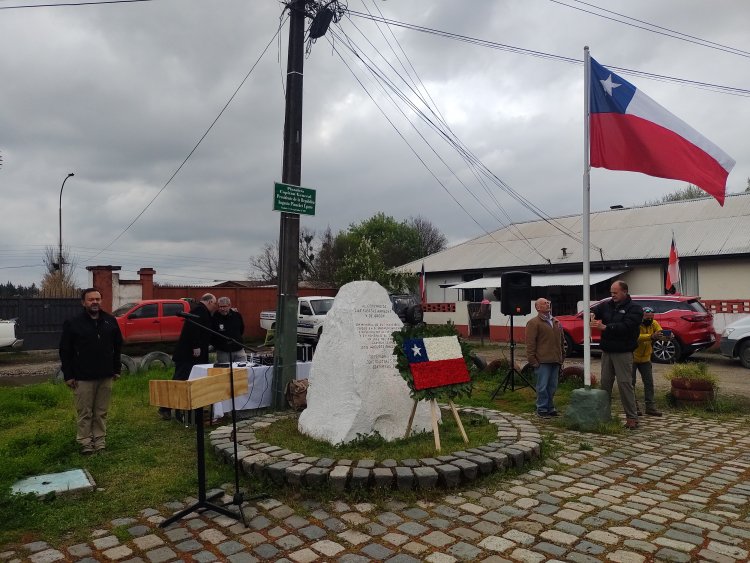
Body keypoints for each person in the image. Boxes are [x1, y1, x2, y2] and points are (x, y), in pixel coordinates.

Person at [59, 288, 123, 454]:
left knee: (101, 411)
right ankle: (86, 443)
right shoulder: (73, 322)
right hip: (83, 376)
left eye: (97, 299)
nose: (95, 302)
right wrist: (69, 375)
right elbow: (65, 351)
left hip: (105, 375)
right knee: (85, 412)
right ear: (83, 302)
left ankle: (100, 440)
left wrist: (116, 369)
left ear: (101, 301)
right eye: (91, 299)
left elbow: (117, 347)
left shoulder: (110, 321)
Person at [591, 280, 643, 429]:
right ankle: (603, 414)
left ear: (624, 292)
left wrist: (606, 327)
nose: (612, 295)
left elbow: (627, 326)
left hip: (623, 352)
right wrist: (592, 314)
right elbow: (595, 310)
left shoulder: (635, 309)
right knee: (605, 383)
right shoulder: (607, 305)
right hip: (607, 351)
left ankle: (632, 417)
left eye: (615, 292)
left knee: (625, 384)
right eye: (611, 292)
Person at [159, 293, 217, 421]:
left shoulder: (203, 311)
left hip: (196, 355)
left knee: (194, 381)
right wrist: (196, 346)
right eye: (214, 303)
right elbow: (192, 328)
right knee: (179, 381)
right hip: (188, 355)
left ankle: (195, 407)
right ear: (209, 302)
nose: (215, 306)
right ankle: (165, 408)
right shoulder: (199, 310)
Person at [525, 298, 565, 418]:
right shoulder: (534, 323)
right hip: (542, 360)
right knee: (542, 386)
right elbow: (530, 343)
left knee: (552, 386)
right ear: (537, 307)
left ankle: (550, 407)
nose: (547, 304)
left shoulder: (556, 321)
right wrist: (532, 360)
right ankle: (542, 408)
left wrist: (562, 356)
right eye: (544, 303)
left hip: (555, 359)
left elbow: (562, 341)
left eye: (548, 303)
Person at [632, 307, 663, 417]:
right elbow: (635, 337)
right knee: (631, 383)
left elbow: (660, 332)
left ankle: (650, 407)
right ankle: (633, 407)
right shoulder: (635, 323)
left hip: (646, 358)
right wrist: (651, 336)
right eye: (646, 317)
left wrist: (666, 336)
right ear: (641, 316)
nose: (649, 319)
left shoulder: (654, 323)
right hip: (632, 357)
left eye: (651, 317)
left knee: (649, 383)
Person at [212, 296, 246, 363]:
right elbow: (212, 333)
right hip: (223, 351)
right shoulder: (215, 316)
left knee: (242, 370)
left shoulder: (237, 315)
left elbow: (241, 329)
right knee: (225, 371)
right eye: (220, 306)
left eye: (224, 306)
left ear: (229, 305)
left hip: (238, 349)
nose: (222, 309)